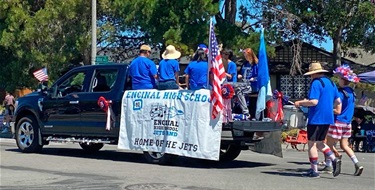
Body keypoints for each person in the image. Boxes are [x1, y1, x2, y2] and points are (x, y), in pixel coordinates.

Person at [294, 62, 342, 178]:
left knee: (311, 144)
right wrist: (334, 110)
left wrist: (300, 102)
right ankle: (333, 158)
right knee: (320, 143)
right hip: (328, 117)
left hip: (316, 117)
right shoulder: (331, 83)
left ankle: (314, 170)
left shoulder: (316, 83)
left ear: (313, 74)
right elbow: (338, 101)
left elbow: (314, 101)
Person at [320, 65, 363, 176]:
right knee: (345, 145)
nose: (338, 80)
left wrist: (326, 109)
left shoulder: (340, 93)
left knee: (328, 143)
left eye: (339, 78)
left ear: (343, 80)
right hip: (347, 122)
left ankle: (330, 164)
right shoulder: (352, 93)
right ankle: (357, 163)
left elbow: (337, 108)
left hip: (338, 121)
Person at [234, 48, 259, 117]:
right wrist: (240, 75)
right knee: (234, 88)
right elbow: (242, 73)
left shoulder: (256, 64)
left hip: (253, 86)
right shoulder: (245, 64)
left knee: (239, 91)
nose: (245, 57)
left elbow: (260, 76)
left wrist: (254, 78)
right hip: (244, 84)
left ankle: (245, 112)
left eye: (246, 55)